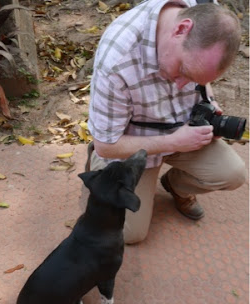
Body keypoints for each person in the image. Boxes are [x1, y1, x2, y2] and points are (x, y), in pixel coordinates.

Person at [85, 0, 247, 244]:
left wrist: (208, 101)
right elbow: (107, 145)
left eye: (193, 79)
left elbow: (200, 74)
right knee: (131, 235)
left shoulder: (205, 14)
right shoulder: (117, 58)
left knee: (232, 173)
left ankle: (175, 186)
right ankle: (97, 164)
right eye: (183, 69)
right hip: (135, 143)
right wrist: (172, 141)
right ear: (181, 29)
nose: (182, 85)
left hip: (183, 132)